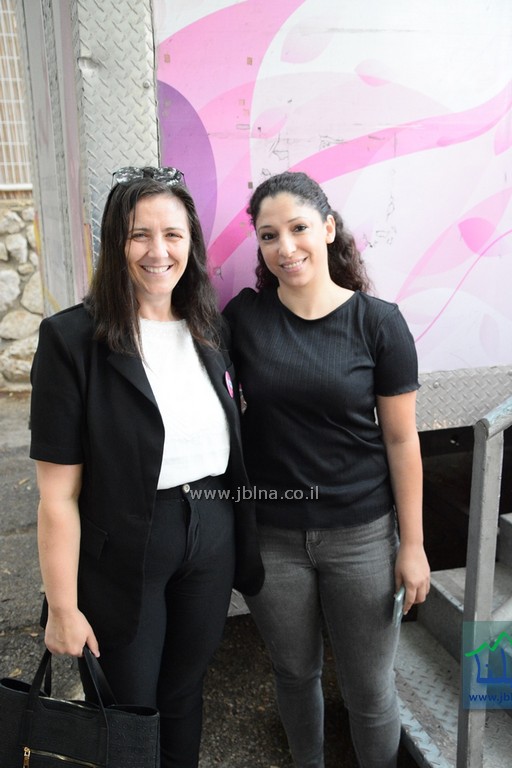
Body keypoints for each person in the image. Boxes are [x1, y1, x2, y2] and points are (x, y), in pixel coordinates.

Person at [29, 166, 264, 768]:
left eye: (173, 235)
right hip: (125, 545)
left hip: (210, 533)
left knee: (184, 692)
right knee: (128, 709)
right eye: (139, 235)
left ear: (191, 243)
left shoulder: (210, 328)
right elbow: (57, 496)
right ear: (116, 243)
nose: (158, 252)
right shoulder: (71, 340)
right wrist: (63, 606)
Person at [223, 171, 430, 768]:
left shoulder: (378, 322)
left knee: (370, 690)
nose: (285, 247)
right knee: (294, 674)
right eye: (269, 235)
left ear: (329, 228)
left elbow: (401, 440)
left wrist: (412, 544)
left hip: (361, 536)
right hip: (273, 537)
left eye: (298, 228)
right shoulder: (244, 317)